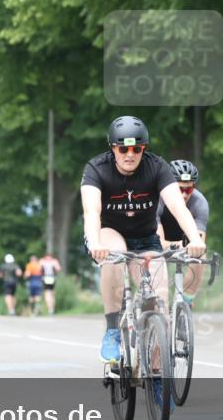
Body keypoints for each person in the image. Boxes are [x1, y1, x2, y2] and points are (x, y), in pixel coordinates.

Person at [81, 115, 206, 364]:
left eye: (136, 149)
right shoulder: (96, 168)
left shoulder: (157, 167)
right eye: (123, 148)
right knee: (113, 255)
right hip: (108, 233)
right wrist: (95, 243)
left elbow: (178, 208)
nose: (130, 154)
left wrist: (194, 238)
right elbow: (91, 211)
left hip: (145, 239)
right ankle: (113, 330)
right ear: (113, 148)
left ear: (143, 149)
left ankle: (158, 376)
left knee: (159, 307)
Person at [157, 159, 209, 310]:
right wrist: (177, 245)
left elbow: (199, 241)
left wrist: (195, 247)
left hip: (182, 239)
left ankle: (186, 299)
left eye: (189, 189)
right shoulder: (157, 200)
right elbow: (158, 242)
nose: (185, 194)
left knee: (201, 256)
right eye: (180, 189)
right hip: (157, 237)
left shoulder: (200, 203)